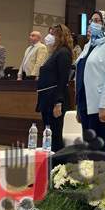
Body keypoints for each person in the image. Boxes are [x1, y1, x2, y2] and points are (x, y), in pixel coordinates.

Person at [75, 10, 105, 154]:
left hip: (103, 104)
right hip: (86, 102)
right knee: (89, 149)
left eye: (97, 20)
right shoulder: (90, 44)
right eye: (92, 21)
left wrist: (104, 106)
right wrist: (79, 107)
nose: (92, 24)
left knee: (98, 151)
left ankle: (103, 171)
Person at [36, 24, 73, 152]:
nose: (49, 36)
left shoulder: (64, 53)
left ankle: (57, 161)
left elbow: (63, 79)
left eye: (53, 34)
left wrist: (58, 102)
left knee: (55, 134)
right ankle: (49, 160)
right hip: (47, 98)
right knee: (48, 134)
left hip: (54, 99)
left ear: (60, 36)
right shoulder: (55, 52)